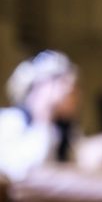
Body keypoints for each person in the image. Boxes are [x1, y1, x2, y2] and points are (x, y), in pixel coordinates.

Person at [0, 50, 80, 181]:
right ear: (38, 87)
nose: (70, 89)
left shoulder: (64, 130)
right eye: (60, 81)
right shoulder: (11, 121)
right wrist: (44, 116)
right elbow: (23, 172)